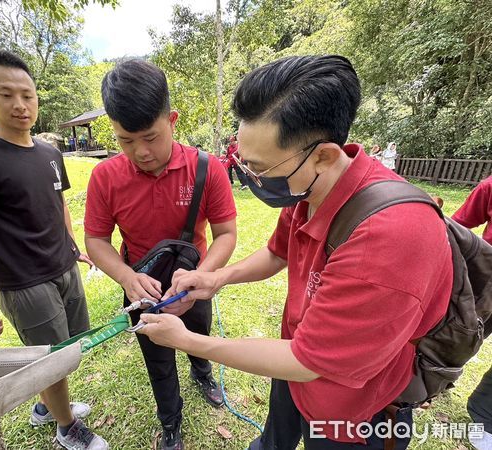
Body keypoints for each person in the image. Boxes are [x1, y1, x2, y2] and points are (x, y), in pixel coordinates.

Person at [136, 55, 453, 450]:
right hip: (290, 367)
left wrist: (186, 341)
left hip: (353, 413)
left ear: (324, 154)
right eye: (245, 165)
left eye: (261, 168)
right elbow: (277, 253)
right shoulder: (308, 187)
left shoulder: (392, 239)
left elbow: (308, 362)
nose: (253, 179)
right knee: (273, 440)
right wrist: (215, 278)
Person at [0, 49, 107, 450]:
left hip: (64, 266)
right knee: (52, 363)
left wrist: (72, 245)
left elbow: (58, 202)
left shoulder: (49, 153)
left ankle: (46, 408)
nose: (20, 105)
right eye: (6, 94)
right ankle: (67, 428)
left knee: (69, 349)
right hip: (23, 281)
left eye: (27, 95)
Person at [84, 59, 237, 450]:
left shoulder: (208, 169)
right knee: (158, 361)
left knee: (197, 335)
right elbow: (96, 240)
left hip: (195, 278)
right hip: (142, 287)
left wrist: (201, 278)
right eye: (125, 140)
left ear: (172, 119)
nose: (141, 152)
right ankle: (171, 423)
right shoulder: (105, 176)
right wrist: (125, 277)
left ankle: (202, 371)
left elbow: (225, 234)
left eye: (150, 137)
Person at [452, 176, 492, 450]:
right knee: (462, 338)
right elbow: (457, 226)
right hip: (489, 284)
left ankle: (485, 416)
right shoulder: (491, 186)